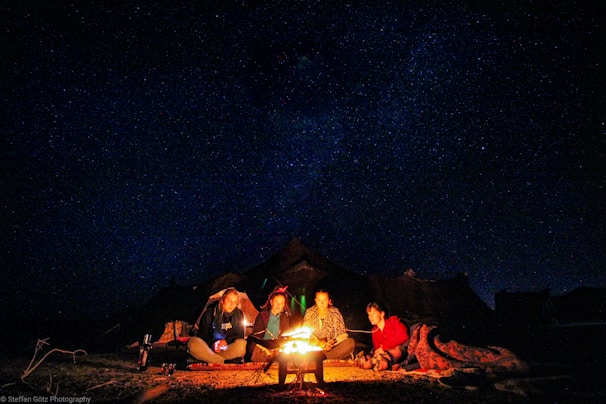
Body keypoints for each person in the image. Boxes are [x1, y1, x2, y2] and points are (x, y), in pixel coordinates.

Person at [187, 287, 247, 364]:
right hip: (210, 349)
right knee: (192, 343)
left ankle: (212, 360)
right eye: (229, 300)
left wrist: (225, 341)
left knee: (242, 344)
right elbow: (202, 335)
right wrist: (213, 343)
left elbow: (240, 335)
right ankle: (222, 361)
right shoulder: (210, 313)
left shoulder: (239, 315)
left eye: (235, 302)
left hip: (228, 349)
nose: (232, 304)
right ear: (222, 300)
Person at [303, 289, 356, 360]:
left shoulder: (335, 313)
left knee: (350, 343)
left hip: (332, 348)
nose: (322, 303)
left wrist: (331, 343)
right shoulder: (310, 312)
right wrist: (321, 344)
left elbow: (343, 335)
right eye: (319, 300)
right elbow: (306, 334)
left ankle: (322, 358)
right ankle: (324, 358)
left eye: (324, 300)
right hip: (315, 348)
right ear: (315, 300)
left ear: (328, 300)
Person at [245, 286, 291, 362]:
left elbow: (285, 336)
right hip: (262, 345)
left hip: (277, 346)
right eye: (276, 302)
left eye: (281, 303)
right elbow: (256, 336)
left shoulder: (285, 318)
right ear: (271, 302)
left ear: (284, 305)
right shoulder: (262, 316)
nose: (278, 305)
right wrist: (266, 349)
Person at [362, 301, 409, 371]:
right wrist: (378, 352)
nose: (370, 317)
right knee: (378, 354)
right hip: (387, 354)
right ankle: (376, 361)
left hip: (403, 350)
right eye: (369, 314)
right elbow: (377, 348)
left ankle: (381, 362)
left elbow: (404, 336)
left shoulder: (393, 321)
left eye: (373, 314)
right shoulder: (375, 331)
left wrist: (384, 347)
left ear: (382, 314)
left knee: (398, 349)